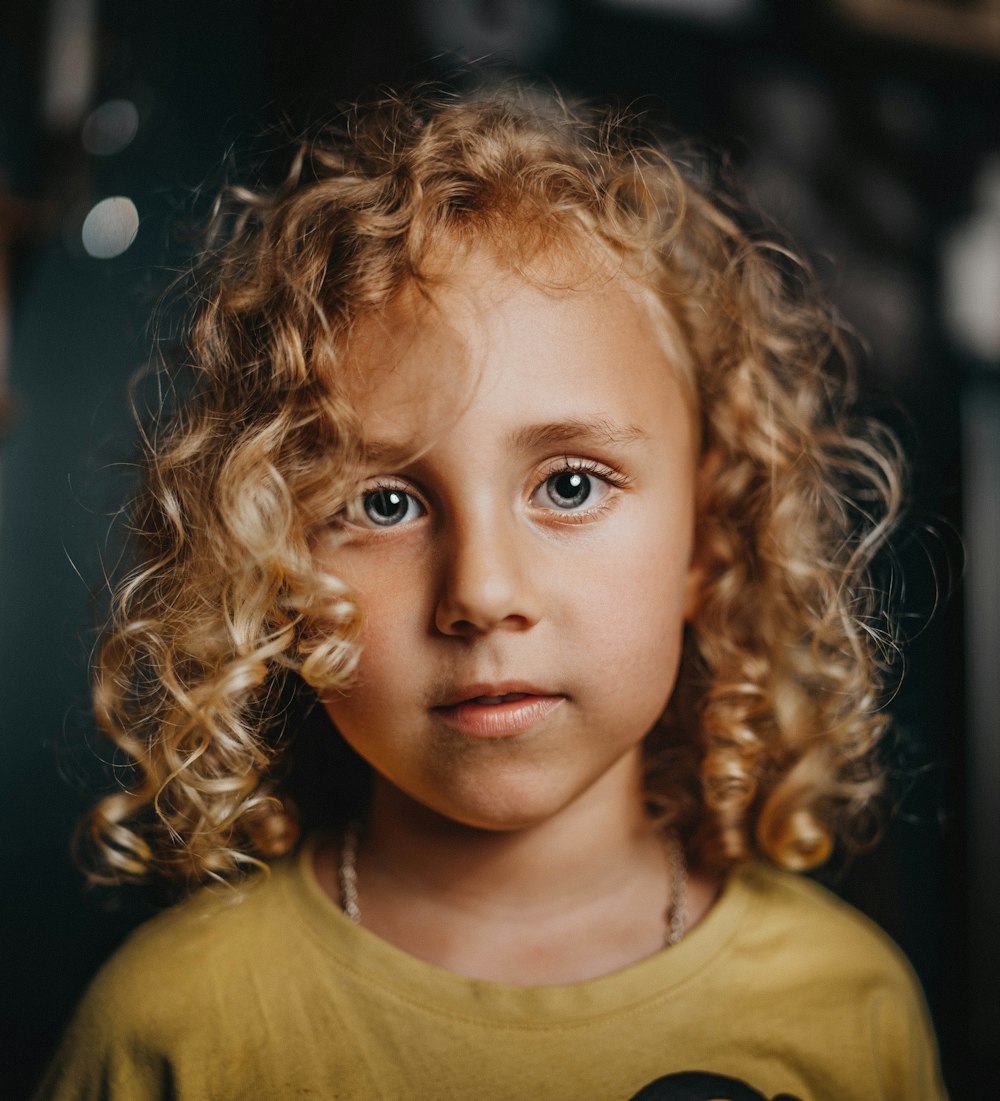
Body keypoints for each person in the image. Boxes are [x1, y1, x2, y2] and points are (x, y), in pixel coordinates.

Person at [35, 83, 947, 1101]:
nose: (481, 592)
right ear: (274, 568)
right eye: (382, 504)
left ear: (710, 539)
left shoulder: (844, 1006)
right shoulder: (173, 1029)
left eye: (568, 485)